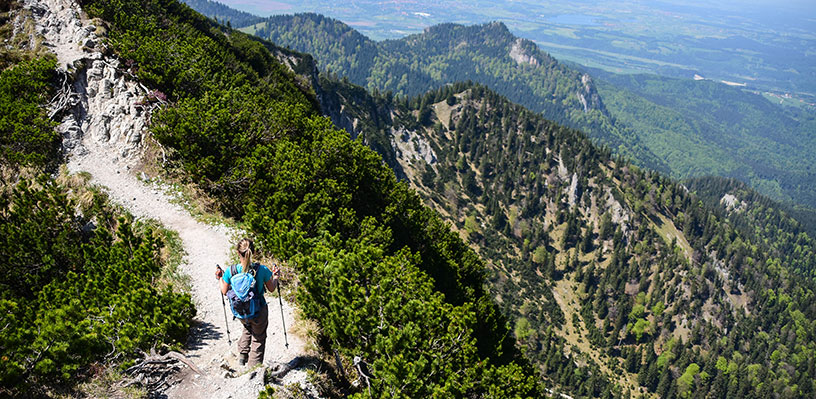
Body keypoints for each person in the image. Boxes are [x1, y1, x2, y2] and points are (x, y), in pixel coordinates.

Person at [215, 238, 279, 366]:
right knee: (259, 338)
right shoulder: (262, 270)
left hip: (241, 312)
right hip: (259, 310)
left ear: (238, 253)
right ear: (254, 253)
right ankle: (253, 368)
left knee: (247, 326)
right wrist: (276, 277)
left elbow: (224, 290)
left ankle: (242, 356)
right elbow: (272, 288)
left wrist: (220, 278)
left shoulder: (231, 271)